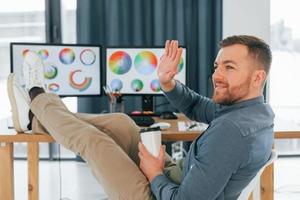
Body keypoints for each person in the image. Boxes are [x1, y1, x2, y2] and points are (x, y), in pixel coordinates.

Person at [7, 35, 274, 200]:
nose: (216, 75)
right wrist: (167, 82)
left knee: (95, 142)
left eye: (229, 68)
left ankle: (37, 96)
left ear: (257, 77)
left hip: (156, 194)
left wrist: (154, 173)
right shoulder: (253, 112)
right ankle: (37, 117)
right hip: (178, 176)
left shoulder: (231, 132)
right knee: (122, 123)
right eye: (217, 66)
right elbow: (195, 106)